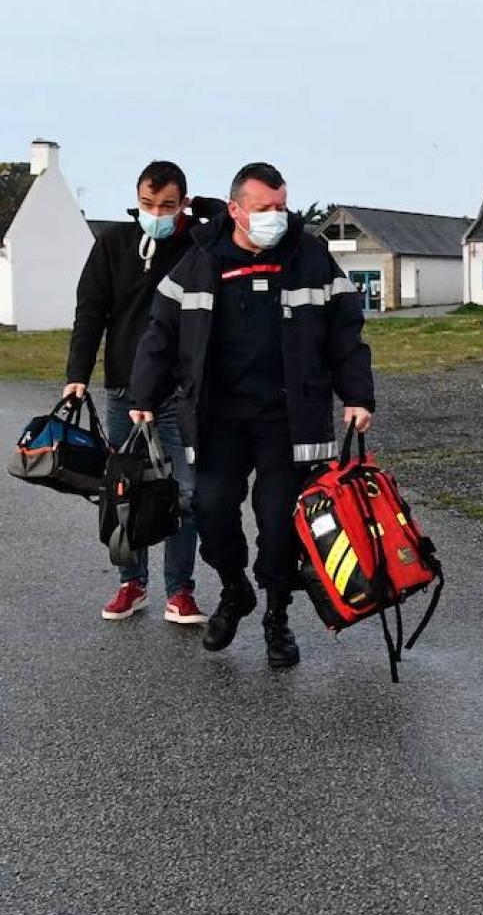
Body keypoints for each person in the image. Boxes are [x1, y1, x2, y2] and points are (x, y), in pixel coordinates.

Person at [129, 162, 375, 670]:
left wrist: (358, 397)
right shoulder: (199, 260)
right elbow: (161, 334)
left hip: (290, 418)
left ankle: (277, 617)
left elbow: (346, 333)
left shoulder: (311, 256)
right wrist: (143, 396)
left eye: (283, 207)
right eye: (265, 209)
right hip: (219, 417)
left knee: (281, 521)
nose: (277, 217)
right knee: (211, 508)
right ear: (236, 210)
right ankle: (236, 589)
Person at [65, 161, 215, 625]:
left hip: (180, 395)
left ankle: (180, 591)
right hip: (123, 391)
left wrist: (202, 211)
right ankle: (131, 582)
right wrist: (76, 374)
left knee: (186, 493)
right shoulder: (113, 243)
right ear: (136, 198)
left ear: (184, 203)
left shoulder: (199, 245)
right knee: (122, 489)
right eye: (148, 204)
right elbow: (90, 312)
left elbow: (232, 220)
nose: (156, 213)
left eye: (167, 205)